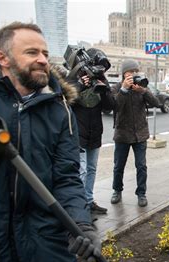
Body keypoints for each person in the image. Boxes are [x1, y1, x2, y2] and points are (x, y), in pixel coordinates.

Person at [0, 22, 100, 262]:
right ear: (3, 58)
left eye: (44, 52)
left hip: (40, 238)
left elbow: (67, 177)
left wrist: (80, 224)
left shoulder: (59, 109)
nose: (43, 59)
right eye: (31, 52)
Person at [70, 48, 115, 215]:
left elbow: (110, 106)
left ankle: (88, 201)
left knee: (91, 168)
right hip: (78, 132)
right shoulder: (74, 78)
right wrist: (81, 85)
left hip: (95, 131)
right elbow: (66, 101)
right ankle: (79, 206)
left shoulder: (102, 79)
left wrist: (103, 87)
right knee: (81, 170)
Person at [110, 59, 159, 207]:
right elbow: (115, 106)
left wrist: (143, 91)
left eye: (135, 71)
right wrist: (124, 90)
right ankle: (117, 190)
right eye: (131, 72)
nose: (134, 74)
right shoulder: (117, 88)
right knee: (119, 165)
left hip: (140, 134)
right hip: (122, 134)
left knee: (141, 166)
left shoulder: (141, 86)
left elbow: (156, 103)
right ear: (124, 74)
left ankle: (141, 194)